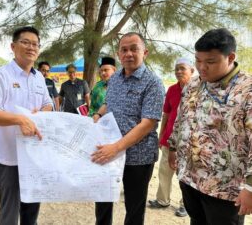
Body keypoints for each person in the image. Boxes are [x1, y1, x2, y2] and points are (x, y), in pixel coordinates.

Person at [168, 28, 252, 225]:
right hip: (190, 179)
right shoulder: (193, 85)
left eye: (210, 62)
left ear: (230, 57)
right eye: (198, 60)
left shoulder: (247, 90)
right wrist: (173, 147)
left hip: (224, 188)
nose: (202, 67)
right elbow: (181, 118)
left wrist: (250, 187)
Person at [91, 32, 165, 225]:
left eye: (134, 49)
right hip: (109, 152)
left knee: (134, 208)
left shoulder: (153, 83)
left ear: (145, 52)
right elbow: (108, 104)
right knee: (103, 201)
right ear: (118, 53)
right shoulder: (114, 79)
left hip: (138, 157)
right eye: (124, 50)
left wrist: (116, 148)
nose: (129, 54)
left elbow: (148, 123)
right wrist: (98, 115)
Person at [0, 26, 53, 225]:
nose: (31, 47)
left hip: (35, 153)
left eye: (35, 44)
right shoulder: (0, 76)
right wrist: (20, 120)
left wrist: (40, 115)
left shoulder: (39, 77)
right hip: (9, 156)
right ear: (13, 46)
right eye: (25, 42)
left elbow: (48, 104)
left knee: (32, 208)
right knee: (10, 211)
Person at [148, 57, 194, 217]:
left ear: (192, 71)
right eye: (177, 69)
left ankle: (186, 205)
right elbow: (166, 113)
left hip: (189, 142)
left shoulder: (198, 89)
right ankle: (162, 200)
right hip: (169, 139)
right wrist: (162, 135)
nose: (179, 72)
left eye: (183, 68)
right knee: (164, 171)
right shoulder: (172, 90)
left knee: (185, 175)